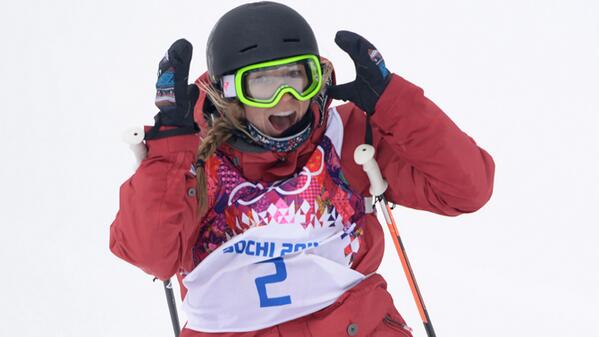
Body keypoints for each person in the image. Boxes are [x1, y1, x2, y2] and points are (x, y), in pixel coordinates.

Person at [109, 2, 495, 336]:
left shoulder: (344, 135)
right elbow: (151, 256)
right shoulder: (192, 160)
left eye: (296, 75)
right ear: (229, 91)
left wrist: (393, 101)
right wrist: (170, 149)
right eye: (261, 82)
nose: (287, 98)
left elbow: (467, 189)